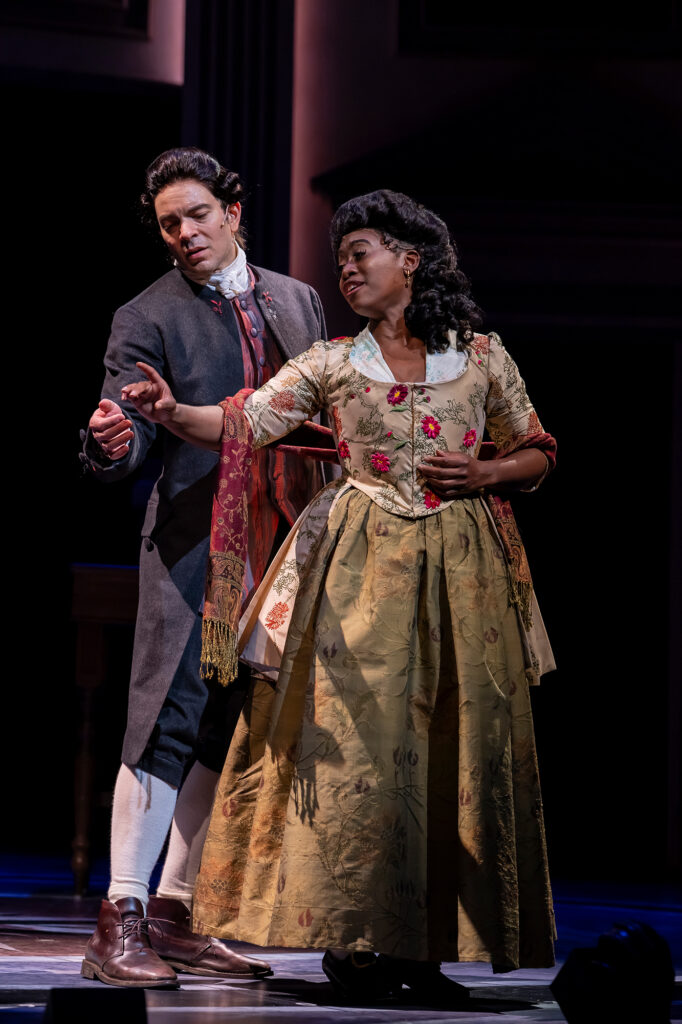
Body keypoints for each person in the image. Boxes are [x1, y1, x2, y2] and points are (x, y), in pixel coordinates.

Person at [122, 189, 557, 1003]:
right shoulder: (329, 362)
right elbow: (246, 422)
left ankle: (426, 950)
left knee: (447, 749)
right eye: (342, 257)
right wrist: (171, 409)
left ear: (410, 260)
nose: (347, 268)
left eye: (363, 253)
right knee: (357, 760)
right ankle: (356, 942)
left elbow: (535, 449)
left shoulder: (483, 357)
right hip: (355, 577)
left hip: (461, 575)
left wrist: (487, 471)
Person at [80, 147, 327, 989]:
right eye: (168, 224)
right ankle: (121, 916)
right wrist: (113, 439)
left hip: (285, 543)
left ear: (233, 211)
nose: (184, 234)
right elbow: (127, 422)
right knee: (166, 718)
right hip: (195, 546)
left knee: (229, 728)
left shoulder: (298, 301)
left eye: (196, 215)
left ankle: (179, 912)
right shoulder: (146, 315)